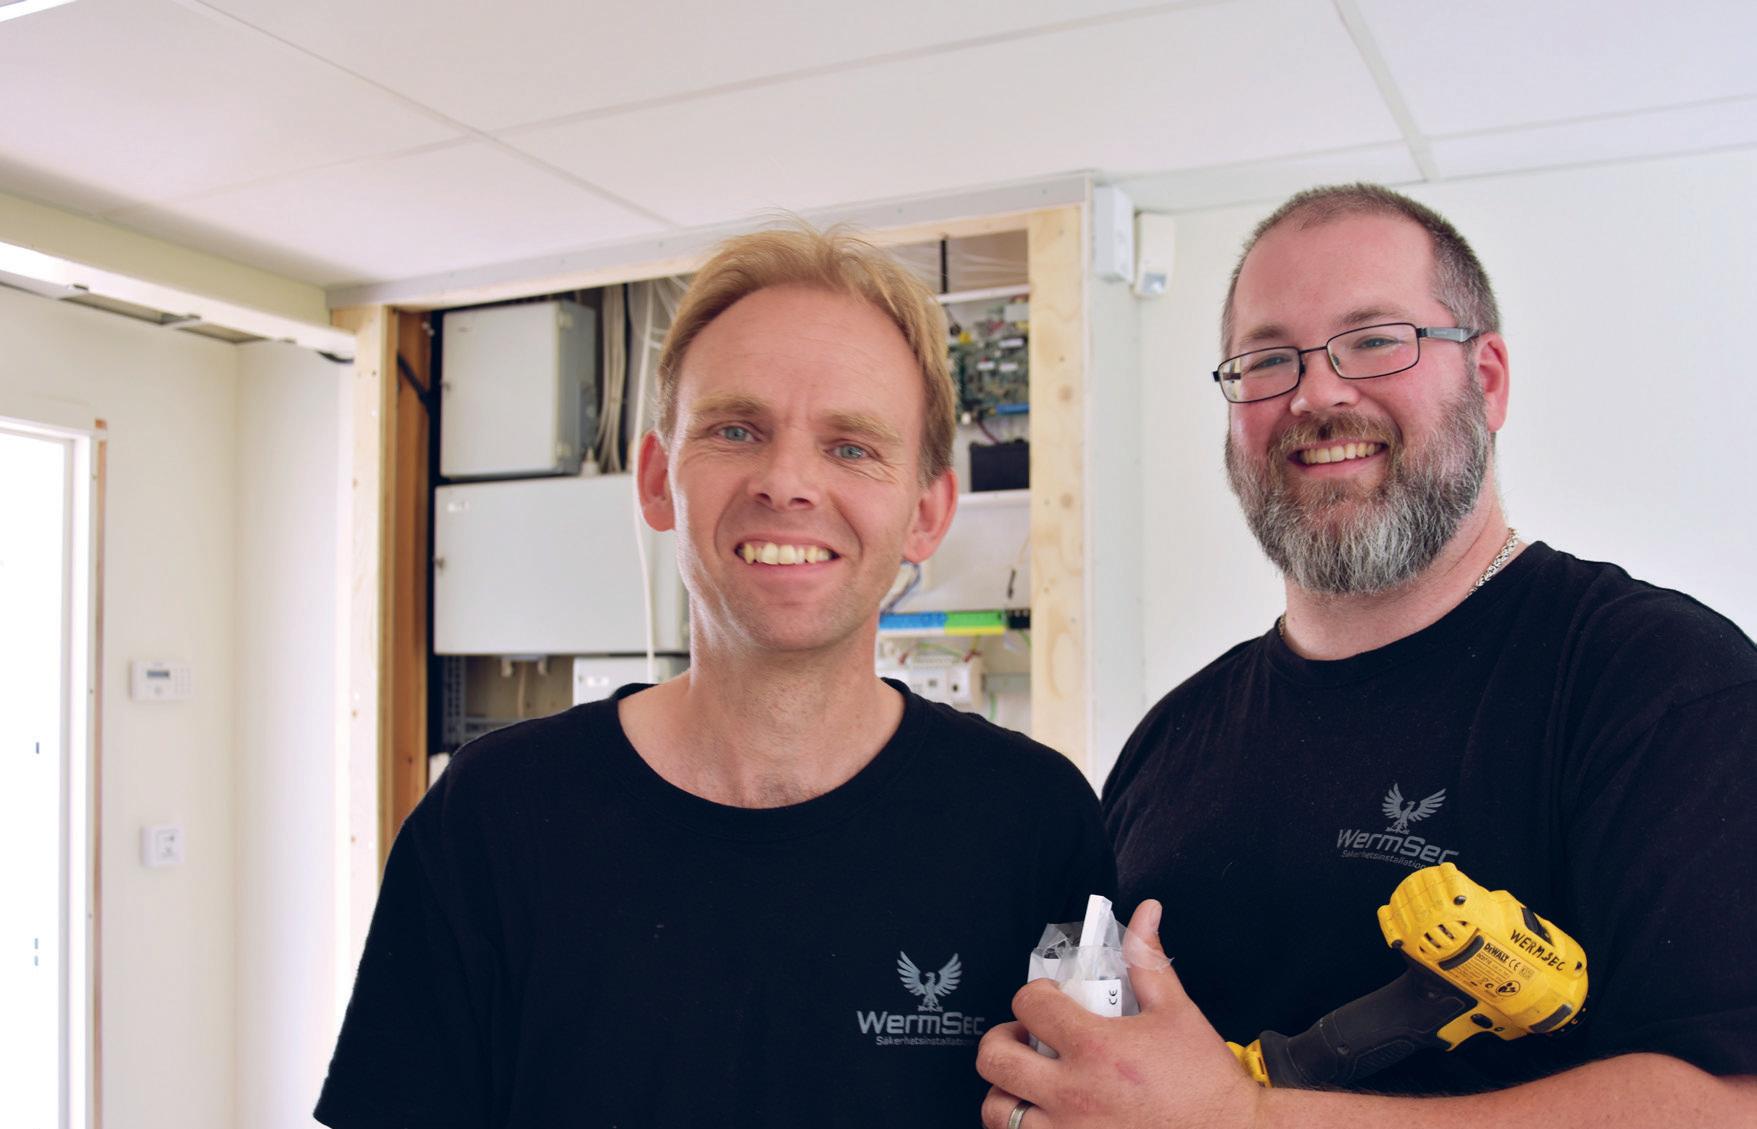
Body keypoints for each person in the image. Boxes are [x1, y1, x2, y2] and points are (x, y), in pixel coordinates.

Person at [976, 184, 1757, 1127]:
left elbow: (1731, 1101)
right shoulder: (1173, 736)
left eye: (1376, 340)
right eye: (1267, 359)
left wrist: (1243, 1120)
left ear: (1487, 378)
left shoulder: (1661, 684)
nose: (1315, 394)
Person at [314, 226, 1114, 1129]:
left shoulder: (1032, 820)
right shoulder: (491, 816)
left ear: (925, 512)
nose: (787, 481)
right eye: (736, 430)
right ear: (658, 480)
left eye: (852, 446)